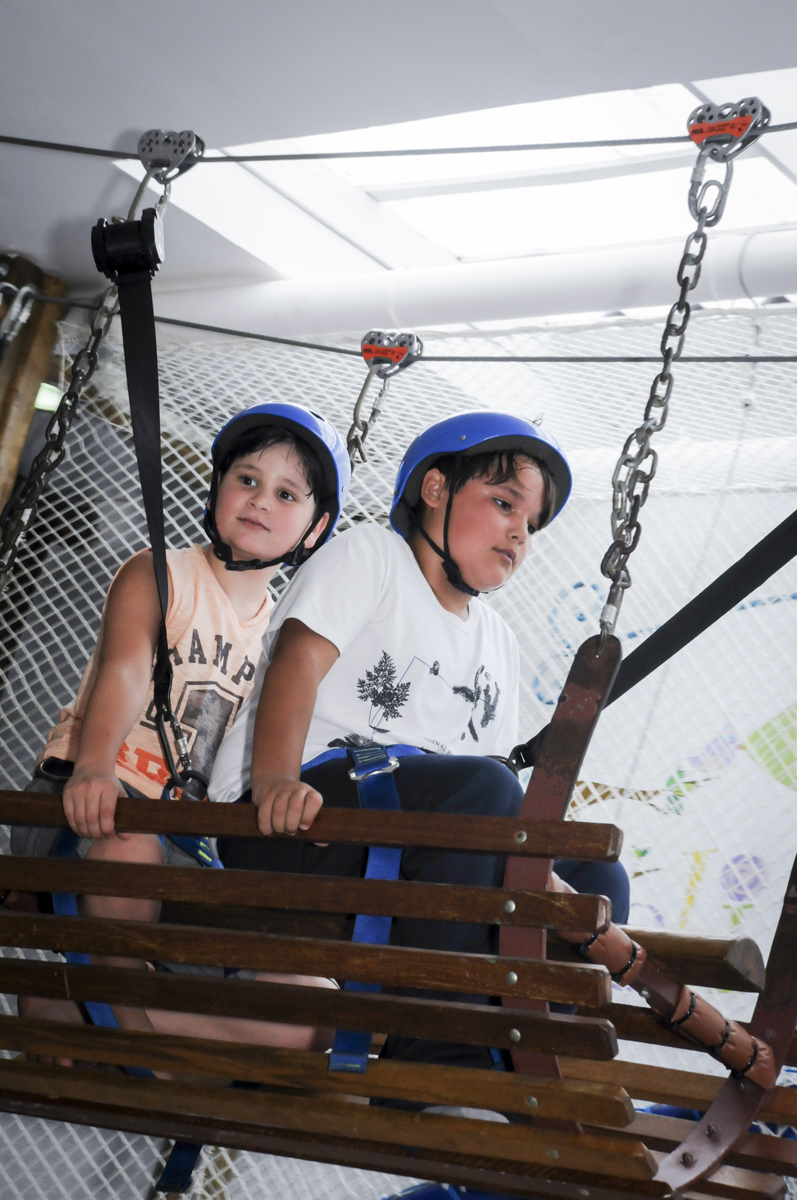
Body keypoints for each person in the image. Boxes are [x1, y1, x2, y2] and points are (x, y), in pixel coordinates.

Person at [209, 410, 630, 1081]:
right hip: (299, 814)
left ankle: (535, 1055)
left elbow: (487, 782)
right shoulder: (371, 555)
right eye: (502, 504)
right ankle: (437, 1050)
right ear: (434, 489)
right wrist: (274, 778)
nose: (519, 532)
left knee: (596, 875)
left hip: (411, 838)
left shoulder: (497, 639)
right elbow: (297, 661)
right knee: (485, 792)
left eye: (531, 523)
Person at [12, 401, 351, 1058]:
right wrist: (93, 766)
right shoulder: (162, 574)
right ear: (218, 485)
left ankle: (76, 1016)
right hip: (81, 803)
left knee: (308, 995)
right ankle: (134, 1035)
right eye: (246, 479)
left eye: (286, 494)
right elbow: (125, 670)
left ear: (314, 529)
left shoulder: (290, 639)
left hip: (183, 842)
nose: (259, 501)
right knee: (130, 849)